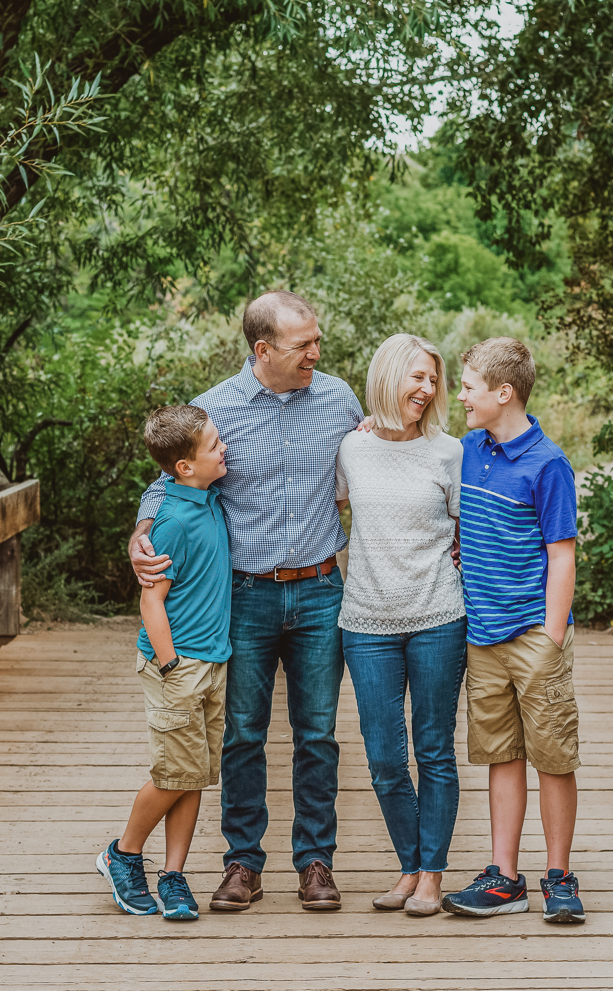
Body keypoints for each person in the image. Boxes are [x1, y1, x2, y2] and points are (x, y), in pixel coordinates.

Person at [129, 291, 364, 912]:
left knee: (317, 734)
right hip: (246, 596)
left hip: (319, 590)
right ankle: (242, 863)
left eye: (317, 340)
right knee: (242, 735)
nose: (316, 352)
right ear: (262, 350)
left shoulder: (339, 399)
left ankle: (316, 861)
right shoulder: (215, 409)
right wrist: (138, 538)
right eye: (303, 345)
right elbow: (164, 484)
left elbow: (368, 472)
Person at [440, 337, 587, 924]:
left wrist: (552, 635)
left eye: (469, 386)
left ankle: (559, 875)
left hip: (532, 633)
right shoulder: (469, 450)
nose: (461, 395)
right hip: (484, 637)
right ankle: (504, 877)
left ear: (504, 393)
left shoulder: (548, 464)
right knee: (502, 756)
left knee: (552, 757)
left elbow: (562, 554)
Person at [334, 333, 465, 917]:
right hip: (365, 622)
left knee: (434, 749)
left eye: (434, 380)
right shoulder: (352, 449)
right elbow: (332, 511)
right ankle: (408, 867)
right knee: (385, 756)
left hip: (439, 616)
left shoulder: (449, 452)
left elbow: (466, 529)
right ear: (388, 376)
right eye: (417, 377)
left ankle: (431, 875)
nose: (428, 389)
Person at [98, 405, 231, 920]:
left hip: (213, 662)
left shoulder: (208, 497)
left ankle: (174, 875)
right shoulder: (172, 522)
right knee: (173, 774)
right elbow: (151, 600)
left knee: (194, 774)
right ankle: (124, 853)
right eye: (215, 445)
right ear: (183, 466)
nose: (225, 449)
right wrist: (172, 663)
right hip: (178, 665)